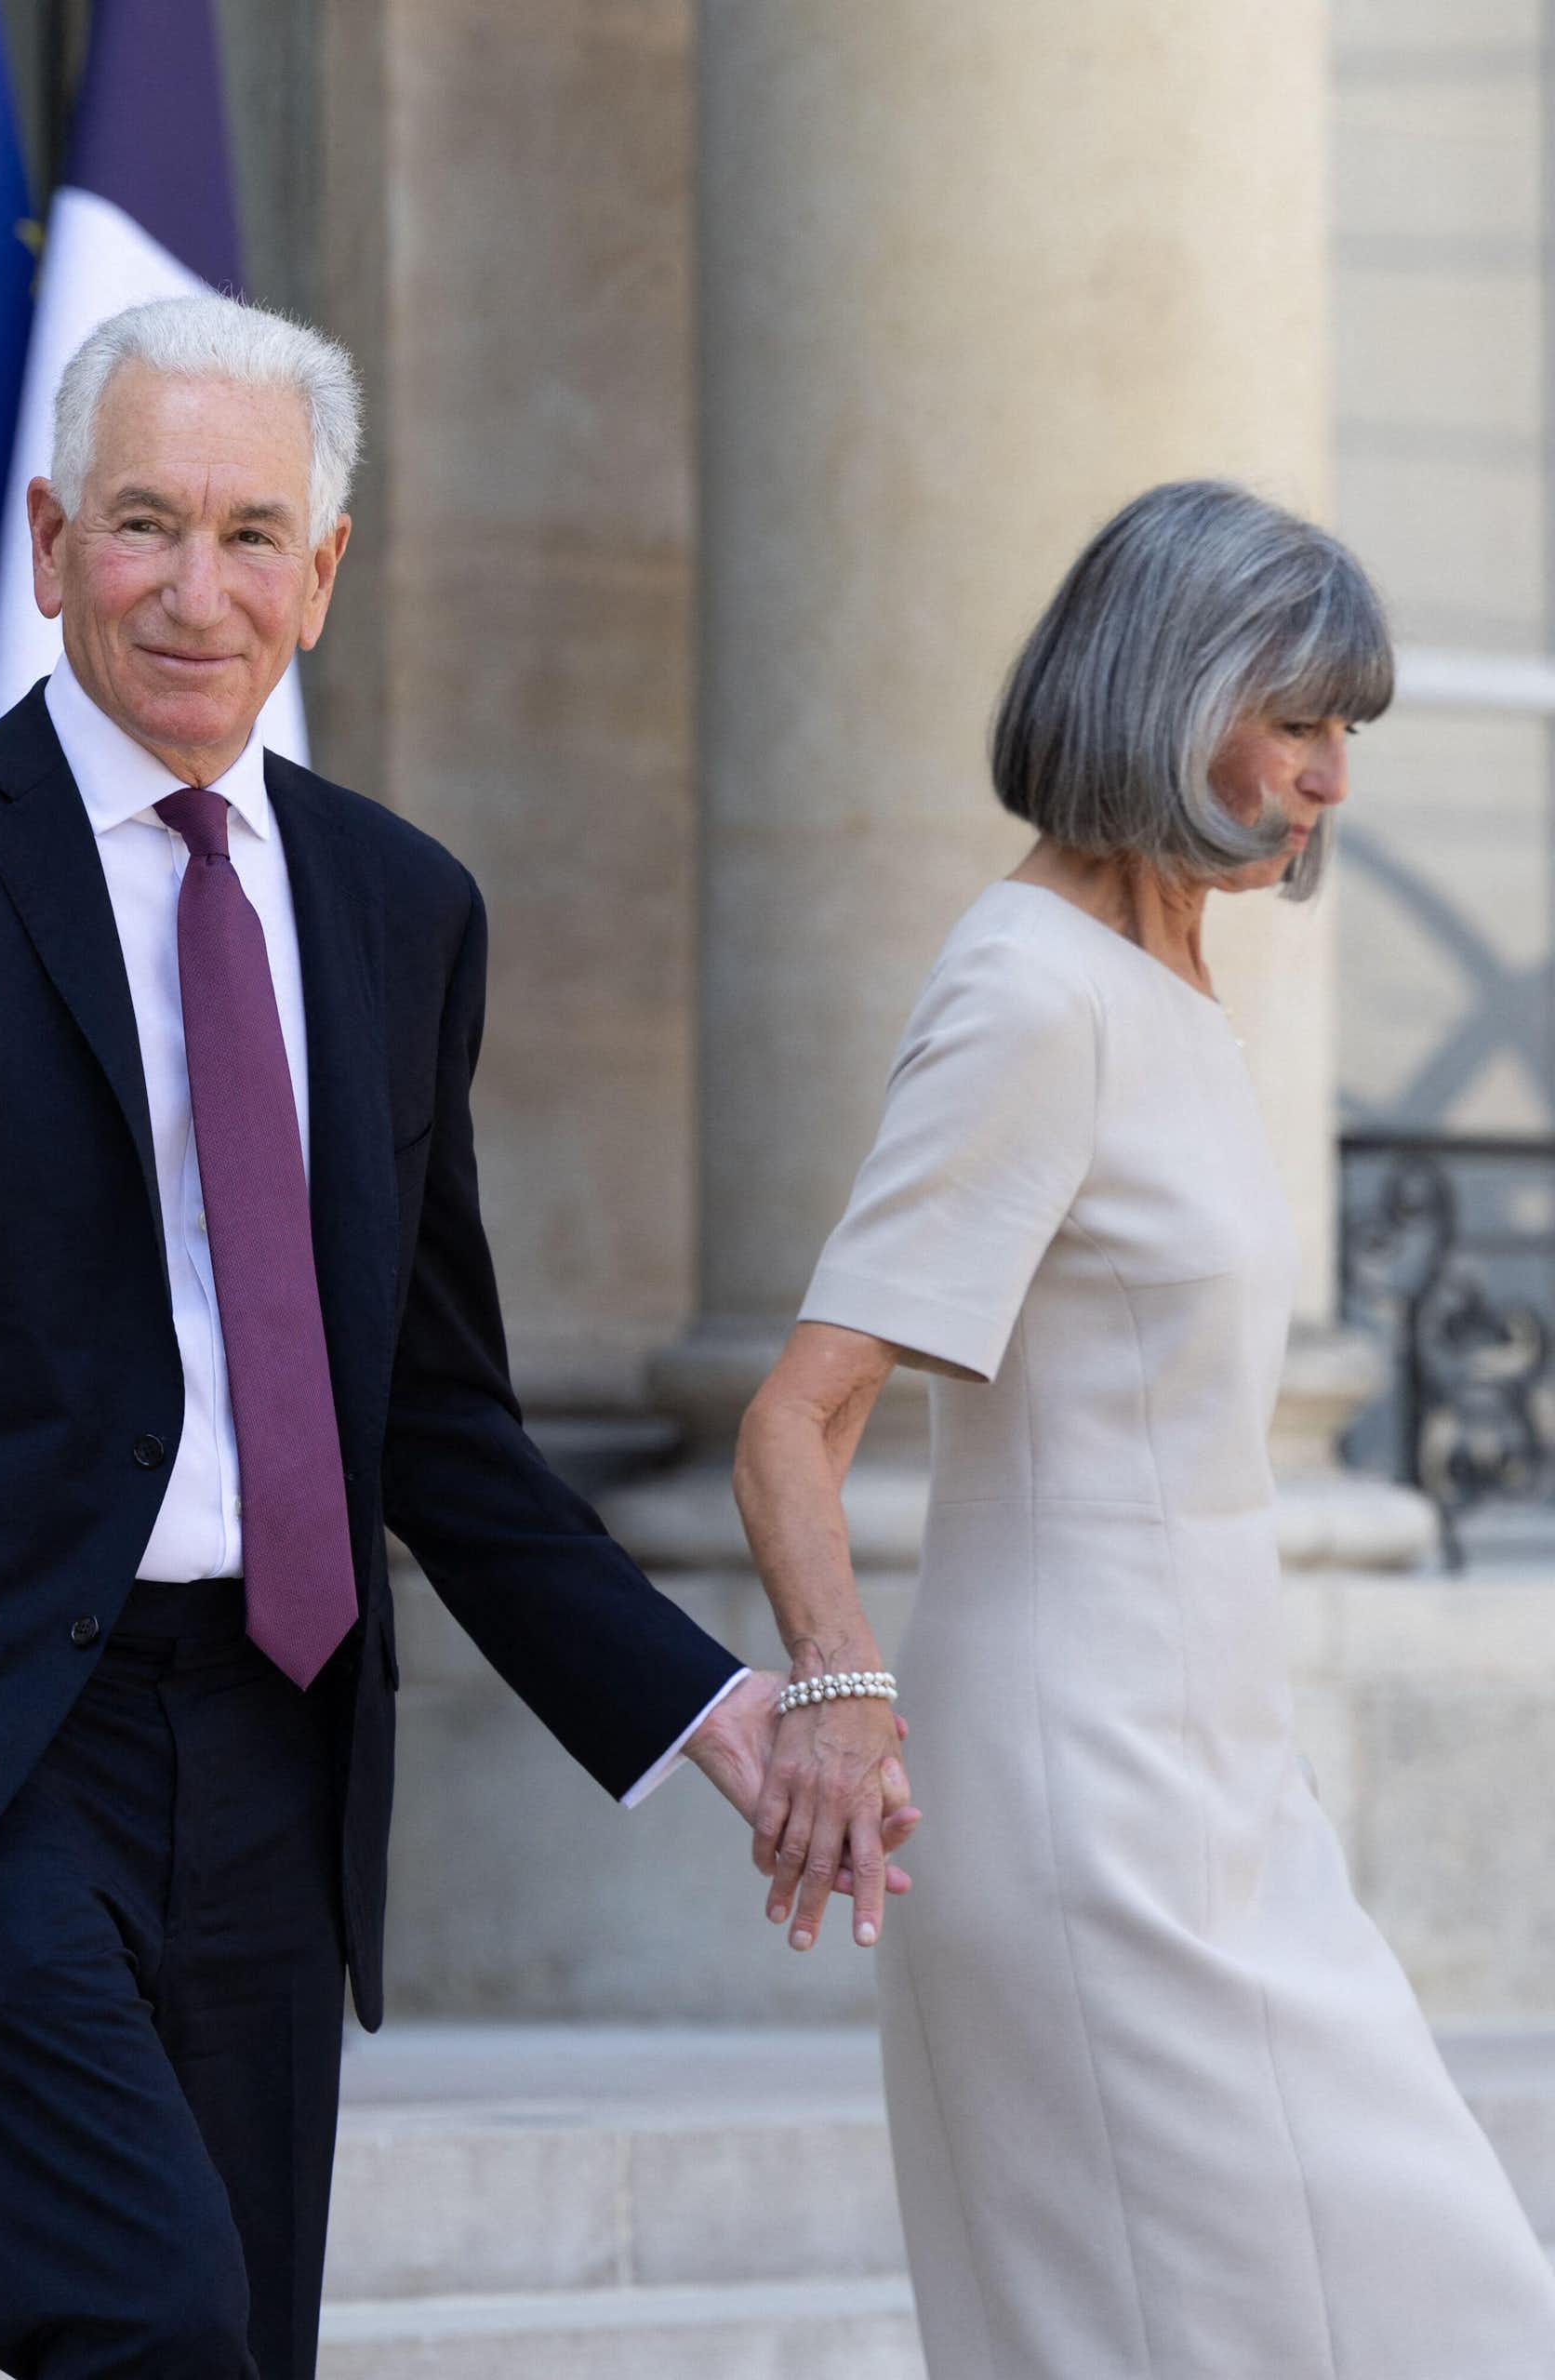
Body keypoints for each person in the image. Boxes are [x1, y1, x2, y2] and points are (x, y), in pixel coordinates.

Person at [0, 291, 919, 2380]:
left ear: (319, 573)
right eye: (142, 525)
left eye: (247, 534)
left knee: (245, 2345)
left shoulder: (401, 911)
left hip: (272, 1743)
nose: (191, 589)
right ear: (46, 543)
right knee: (152, 2324)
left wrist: (712, 1714)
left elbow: (435, 1419)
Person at [735, 480, 1555, 2377]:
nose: (1328, 776)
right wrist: (831, 1690)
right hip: (1077, 1794)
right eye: (1295, 717)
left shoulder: (1163, 982)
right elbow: (796, 1414)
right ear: (1159, 694)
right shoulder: (1028, 993)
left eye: (1342, 728)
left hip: (1213, 1777)